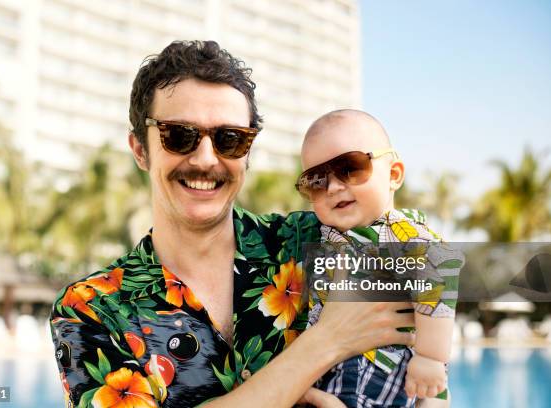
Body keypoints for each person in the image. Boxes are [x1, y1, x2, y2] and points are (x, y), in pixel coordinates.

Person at [49, 41, 415, 408]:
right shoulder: (92, 308)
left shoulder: (316, 241)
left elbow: (426, 291)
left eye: (230, 139)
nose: (206, 159)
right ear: (140, 149)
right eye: (179, 136)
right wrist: (326, 341)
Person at [296, 110, 462, 407]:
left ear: (394, 175)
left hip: (384, 371)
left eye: (350, 168)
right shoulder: (323, 234)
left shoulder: (406, 235)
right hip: (330, 369)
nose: (333, 187)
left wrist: (430, 358)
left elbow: (438, 286)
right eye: (316, 180)